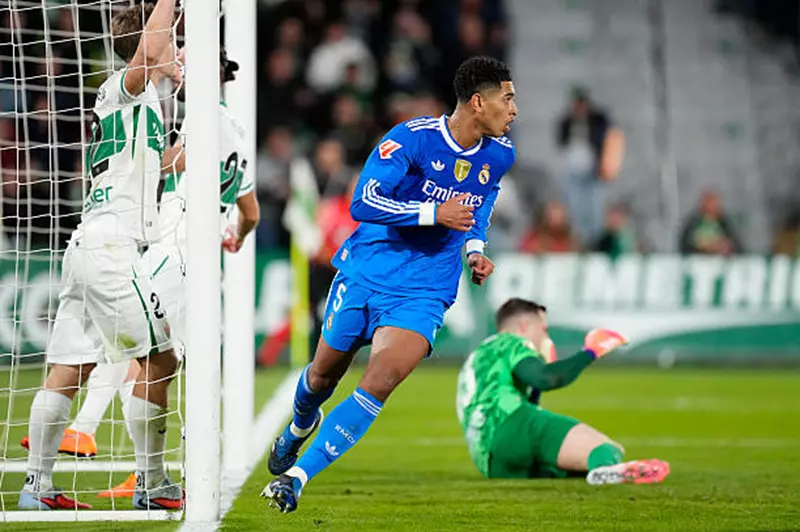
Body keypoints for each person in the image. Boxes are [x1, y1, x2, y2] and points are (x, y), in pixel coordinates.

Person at [261, 56, 518, 513]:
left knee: (381, 379)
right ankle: (300, 424)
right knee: (321, 376)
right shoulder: (412, 138)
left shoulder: (500, 154)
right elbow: (364, 202)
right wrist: (433, 213)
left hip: (425, 290)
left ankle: (297, 478)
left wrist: (474, 248)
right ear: (478, 102)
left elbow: (481, 201)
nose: (514, 109)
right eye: (508, 98)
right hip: (368, 271)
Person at [19, 46, 260, 500]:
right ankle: (137, 467)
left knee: (141, 354)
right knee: (144, 352)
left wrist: (142, 156)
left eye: (188, 57)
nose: (179, 64)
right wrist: (237, 235)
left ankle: (93, 444)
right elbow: (251, 210)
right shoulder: (237, 132)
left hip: (170, 248)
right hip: (191, 257)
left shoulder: (203, 119)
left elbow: (174, 162)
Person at [18, 0, 183, 510]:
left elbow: (153, 165)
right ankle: (151, 484)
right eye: (173, 40)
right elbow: (149, 49)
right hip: (112, 247)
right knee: (160, 359)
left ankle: (37, 487)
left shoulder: (143, 103)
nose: (177, 48)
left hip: (89, 243)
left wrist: (193, 142)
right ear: (149, 46)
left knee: (71, 367)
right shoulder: (124, 87)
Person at [456, 298, 670, 484]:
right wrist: (591, 352)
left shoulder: (481, 353)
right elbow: (548, 378)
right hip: (513, 423)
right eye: (543, 329)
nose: (545, 336)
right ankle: (607, 470)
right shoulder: (512, 342)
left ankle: (594, 472)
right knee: (605, 448)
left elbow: (525, 393)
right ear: (524, 325)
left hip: (490, 460)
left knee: (565, 469)